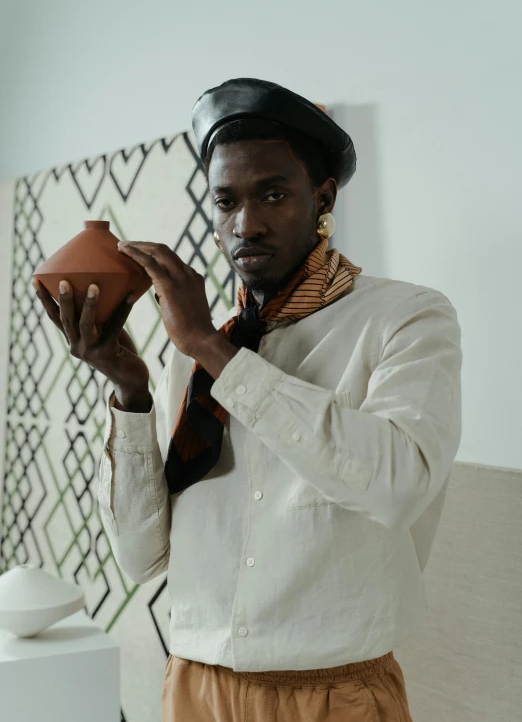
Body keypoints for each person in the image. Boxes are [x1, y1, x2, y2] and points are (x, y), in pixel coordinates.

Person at [33, 78, 462, 722]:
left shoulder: (407, 318)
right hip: (193, 690)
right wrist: (132, 392)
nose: (246, 224)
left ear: (322, 198)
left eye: (273, 194)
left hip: (335, 697)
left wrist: (208, 347)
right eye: (226, 201)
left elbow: (398, 485)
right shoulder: (202, 348)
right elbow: (141, 558)